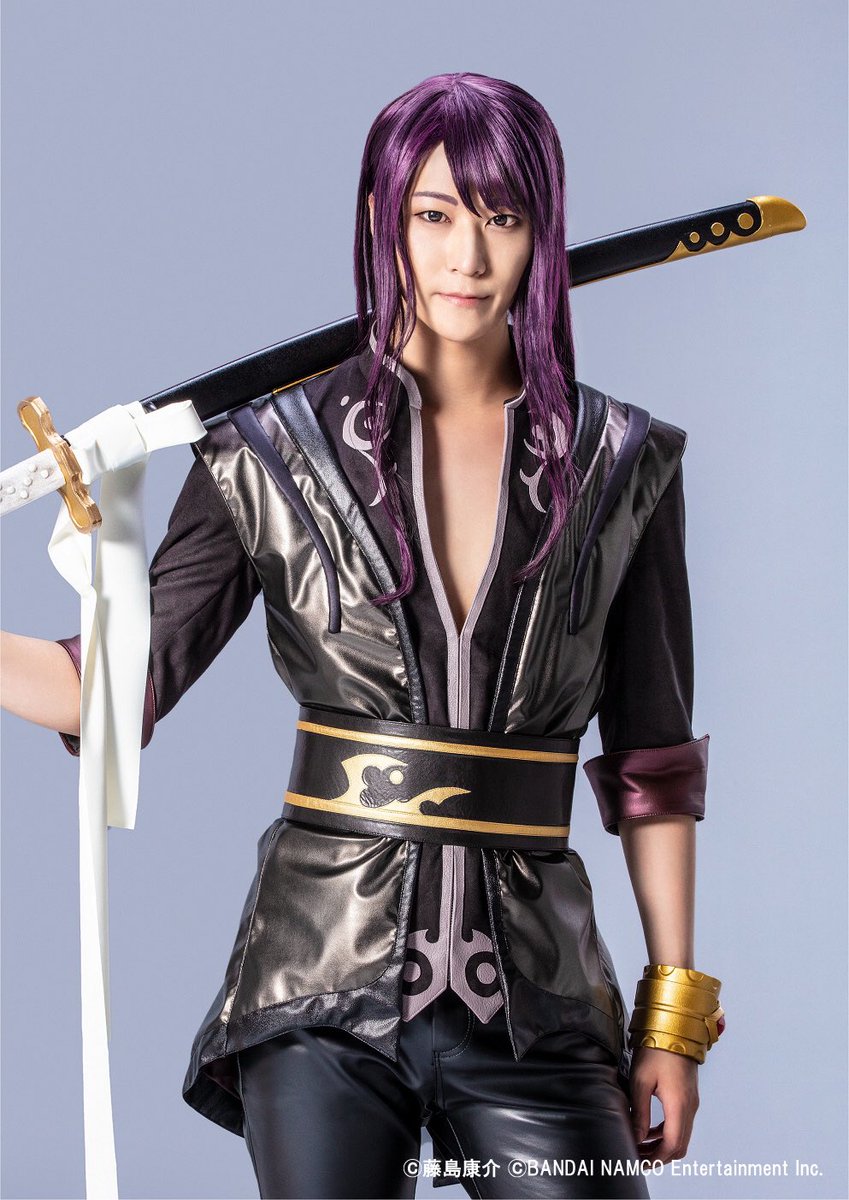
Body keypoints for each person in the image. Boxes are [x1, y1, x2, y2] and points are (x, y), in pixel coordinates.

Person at [1, 72, 723, 1200]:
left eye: (501, 218)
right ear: (385, 219)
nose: (466, 258)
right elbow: (101, 689)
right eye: (434, 215)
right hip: (317, 985)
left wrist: (671, 1018)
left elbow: (651, 764)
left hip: (539, 995)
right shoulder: (264, 452)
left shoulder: (623, 464)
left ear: (541, 230)